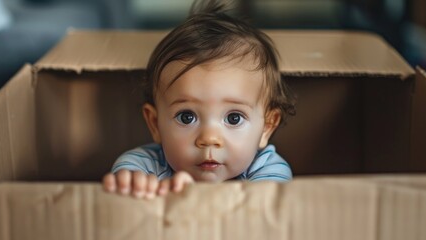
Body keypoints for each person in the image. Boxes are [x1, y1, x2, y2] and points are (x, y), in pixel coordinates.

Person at [103, 0, 296, 199]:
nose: (209, 138)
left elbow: (262, 209)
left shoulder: (268, 168)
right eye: (186, 117)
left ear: (266, 127)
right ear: (155, 124)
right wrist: (144, 189)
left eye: (234, 118)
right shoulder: (143, 164)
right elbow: (126, 185)